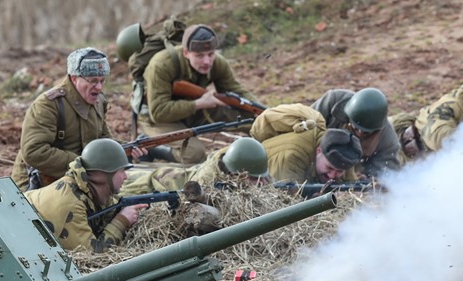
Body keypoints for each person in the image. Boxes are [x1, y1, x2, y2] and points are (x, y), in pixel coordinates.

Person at [11, 48, 141, 190]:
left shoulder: (98, 101)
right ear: (74, 78)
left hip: (79, 178)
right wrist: (85, 163)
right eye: (93, 81)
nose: (99, 87)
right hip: (38, 185)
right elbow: (33, 152)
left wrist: (125, 148)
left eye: (102, 81)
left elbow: (103, 140)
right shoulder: (49, 105)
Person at [139, 24, 258, 164]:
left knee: (253, 122)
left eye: (211, 54)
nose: (207, 61)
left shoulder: (217, 63)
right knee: (194, 154)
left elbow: (236, 90)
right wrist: (199, 103)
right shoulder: (161, 65)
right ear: (185, 53)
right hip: (158, 118)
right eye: (199, 56)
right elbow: (158, 112)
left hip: (193, 111)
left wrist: (260, 109)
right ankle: (152, 147)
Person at [25, 138, 148, 253]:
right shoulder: (71, 203)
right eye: (121, 171)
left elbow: (108, 213)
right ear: (101, 175)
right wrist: (122, 220)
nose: (125, 177)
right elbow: (91, 255)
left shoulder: (93, 191)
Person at [250, 103, 362, 184]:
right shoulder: (292, 155)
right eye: (329, 168)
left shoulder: (341, 154)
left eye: (339, 171)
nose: (332, 176)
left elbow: (351, 186)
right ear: (319, 151)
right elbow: (285, 202)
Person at [119, 136, 271, 195]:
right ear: (237, 175)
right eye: (253, 179)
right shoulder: (207, 183)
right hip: (156, 183)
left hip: (178, 174)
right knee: (121, 182)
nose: (261, 183)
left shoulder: (239, 163)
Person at [311, 87, 401, 178]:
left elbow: (387, 172)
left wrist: (367, 178)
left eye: (366, 131)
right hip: (317, 156)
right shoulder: (333, 101)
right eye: (356, 127)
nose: (360, 132)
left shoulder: (388, 140)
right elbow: (304, 128)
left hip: (347, 173)